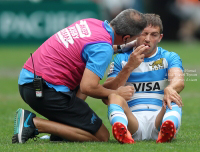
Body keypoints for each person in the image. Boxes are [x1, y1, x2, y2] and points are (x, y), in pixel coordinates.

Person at [12, 9, 147, 144]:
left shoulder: (91, 23)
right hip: (45, 91)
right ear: (126, 38)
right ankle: (34, 123)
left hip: (29, 80)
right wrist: (116, 92)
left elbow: (93, 47)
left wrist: (121, 48)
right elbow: (88, 87)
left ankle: (62, 131)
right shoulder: (103, 48)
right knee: (101, 136)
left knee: (82, 84)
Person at [103, 13, 184, 144]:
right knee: (114, 96)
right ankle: (122, 131)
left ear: (160, 37)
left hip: (159, 119)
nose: (147, 39)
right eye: (144, 33)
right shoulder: (122, 59)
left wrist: (171, 88)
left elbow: (178, 80)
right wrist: (129, 67)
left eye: (154, 35)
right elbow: (105, 94)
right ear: (135, 35)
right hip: (132, 121)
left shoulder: (169, 57)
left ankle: (167, 128)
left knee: (173, 96)